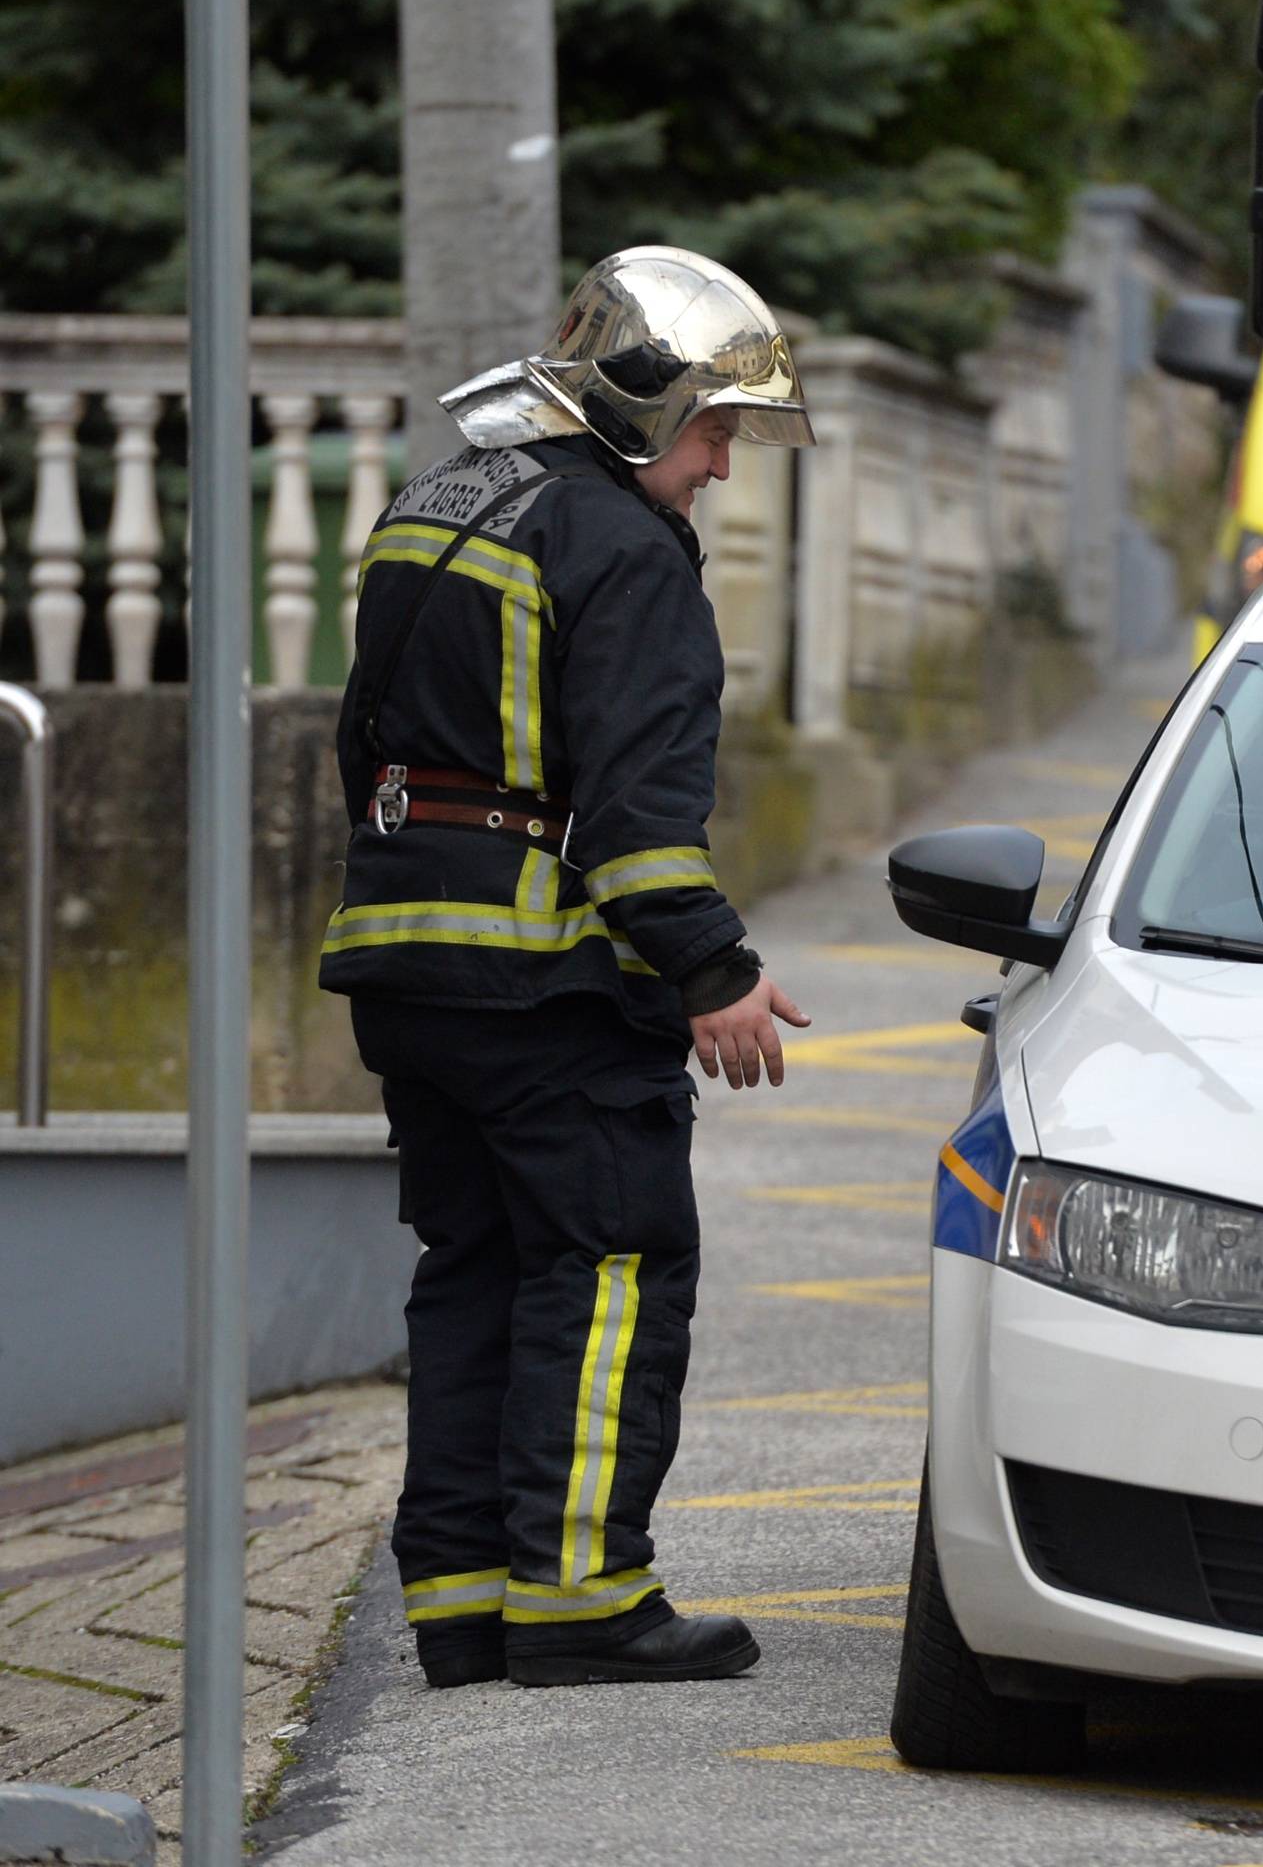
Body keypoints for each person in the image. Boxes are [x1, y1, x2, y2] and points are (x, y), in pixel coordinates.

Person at [319, 247, 813, 1690]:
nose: (724, 467)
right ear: (645, 405)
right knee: (609, 1266)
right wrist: (711, 970)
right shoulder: (619, 546)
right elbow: (639, 811)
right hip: (549, 982)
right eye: (717, 430)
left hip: (406, 963)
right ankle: (584, 1596)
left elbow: (364, 750)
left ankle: (463, 1601)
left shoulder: (437, 500)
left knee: (473, 1266)